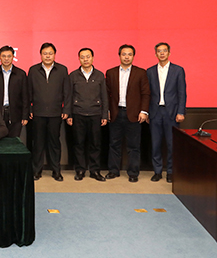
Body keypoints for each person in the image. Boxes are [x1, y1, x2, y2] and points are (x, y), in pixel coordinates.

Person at [105, 44, 150, 183]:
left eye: (129, 54)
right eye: (124, 54)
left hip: (134, 114)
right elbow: (106, 94)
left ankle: (133, 173)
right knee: (114, 144)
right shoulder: (111, 72)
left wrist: (144, 111)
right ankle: (113, 171)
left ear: (133, 56)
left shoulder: (141, 73)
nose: (126, 57)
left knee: (134, 146)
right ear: (119, 55)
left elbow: (146, 94)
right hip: (116, 113)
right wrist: (107, 111)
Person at [28, 43, 71, 181]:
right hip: (38, 112)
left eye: (50, 53)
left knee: (54, 143)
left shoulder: (62, 70)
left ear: (54, 55)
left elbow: (67, 92)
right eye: (45, 53)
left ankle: (56, 171)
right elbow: (29, 91)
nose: (48, 56)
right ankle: (36, 171)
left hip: (55, 113)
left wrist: (66, 109)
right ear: (40, 55)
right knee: (38, 143)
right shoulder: (33, 70)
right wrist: (29, 109)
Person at [66, 48, 108, 181]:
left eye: (88, 57)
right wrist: (69, 114)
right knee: (78, 144)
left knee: (95, 144)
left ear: (93, 58)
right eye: (82, 57)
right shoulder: (73, 75)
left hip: (95, 114)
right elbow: (69, 96)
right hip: (78, 114)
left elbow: (104, 97)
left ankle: (95, 171)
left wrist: (104, 115)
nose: (85, 59)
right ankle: (80, 170)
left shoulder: (100, 75)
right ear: (79, 59)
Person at [147, 42, 186, 183]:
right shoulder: (150, 71)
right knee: (155, 144)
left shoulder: (178, 70)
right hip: (155, 112)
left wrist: (181, 111)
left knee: (171, 144)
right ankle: (157, 172)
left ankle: (170, 171)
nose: (162, 53)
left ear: (169, 53)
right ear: (155, 54)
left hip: (172, 113)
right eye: (159, 51)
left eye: (164, 50)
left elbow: (182, 93)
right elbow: (147, 94)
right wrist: (147, 112)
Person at [0, 45, 29, 138]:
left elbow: (25, 96)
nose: (6, 59)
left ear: (13, 57)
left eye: (9, 56)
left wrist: (25, 116)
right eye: (3, 56)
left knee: (13, 141)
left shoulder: (21, 74)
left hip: (15, 113)